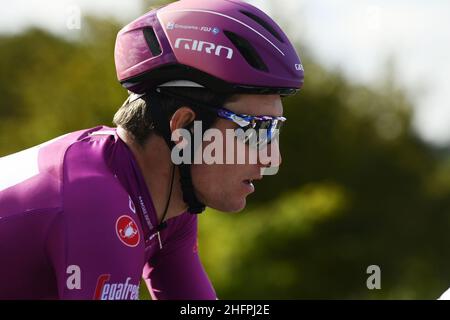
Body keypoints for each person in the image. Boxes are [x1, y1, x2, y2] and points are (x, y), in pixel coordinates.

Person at [0, 0, 303, 299]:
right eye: (256, 130)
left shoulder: (168, 205)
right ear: (183, 128)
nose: (272, 157)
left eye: (275, 130)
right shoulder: (98, 204)